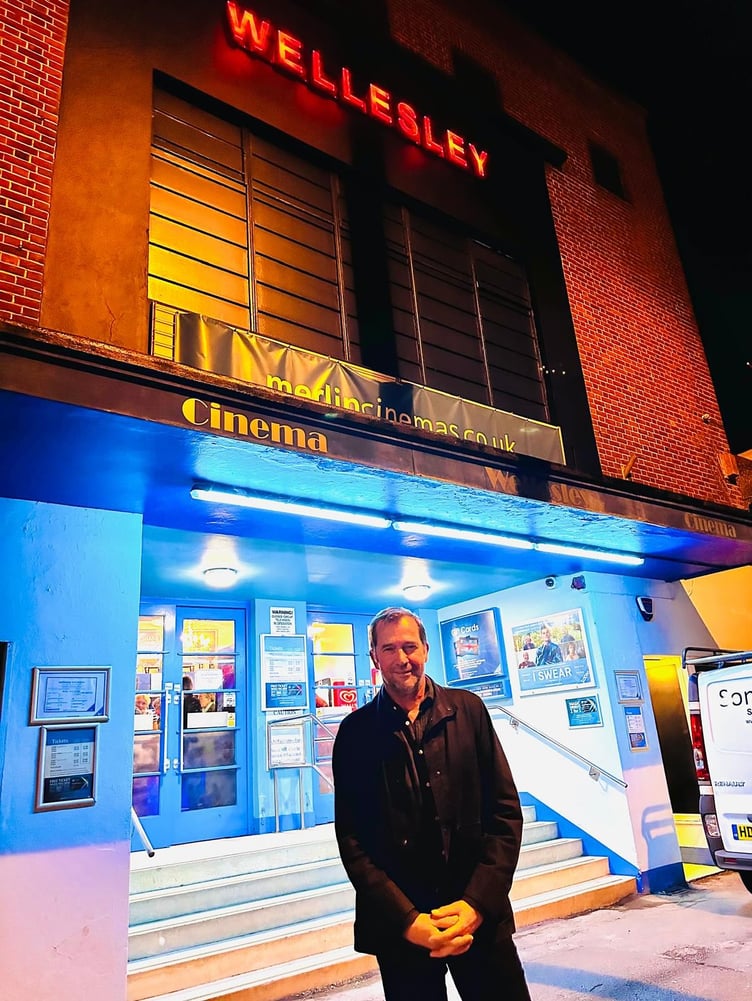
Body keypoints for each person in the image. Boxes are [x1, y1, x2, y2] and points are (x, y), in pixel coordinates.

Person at [332, 607, 530, 1001]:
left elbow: (504, 813)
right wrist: (407, 921)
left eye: (409, 646)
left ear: (426, 648)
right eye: (389, 649)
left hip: (476, 916)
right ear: (373, 656)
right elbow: (353, 840)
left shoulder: (469, 711)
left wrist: (475, 904)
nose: (402, 659)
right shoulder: (355, 734)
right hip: (402, 924)